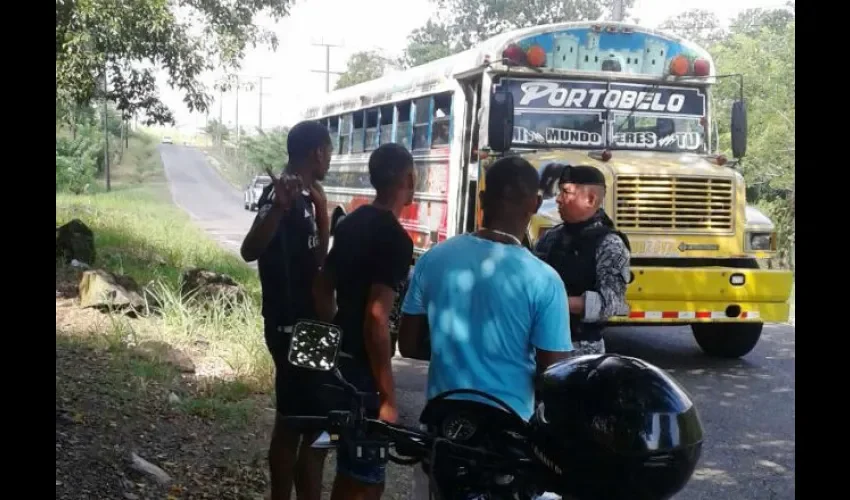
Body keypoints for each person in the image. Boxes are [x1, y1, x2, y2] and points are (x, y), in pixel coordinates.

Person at [397, 156, 574, 496]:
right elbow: (554, 373)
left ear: (482, 201)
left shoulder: (435, 258)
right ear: (536, 204)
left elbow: (407, 344)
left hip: (442, 425)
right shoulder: (544, 280)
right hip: (508, 433)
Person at [312, 143, 416, 500]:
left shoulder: (352, 221)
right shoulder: (396, 239)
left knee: (348, 461)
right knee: (368, 475)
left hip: (341, 367)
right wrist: (387, 397)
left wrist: (334, 339)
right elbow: (377, 320)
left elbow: (323, 284)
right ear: (408, 178)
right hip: (364, 377)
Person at [239, 120, 333, 500]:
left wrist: (324, 213)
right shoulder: (281, 196)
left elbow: (319, 263)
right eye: (329, 152)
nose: (330, 159)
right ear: (317, 153)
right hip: (290, 327)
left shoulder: (310, 197)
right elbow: (249, 250)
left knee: (312, 423)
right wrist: (277, 208)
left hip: (310, 327)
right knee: (295, 423)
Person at [533, 163, 631, 356]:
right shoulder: (551, 238)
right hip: (543, 343)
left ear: (591, 199)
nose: (559, 200)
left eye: (566, 193)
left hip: (581, 349)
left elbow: (612, 303)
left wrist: (558, 302)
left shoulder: (610, 244)